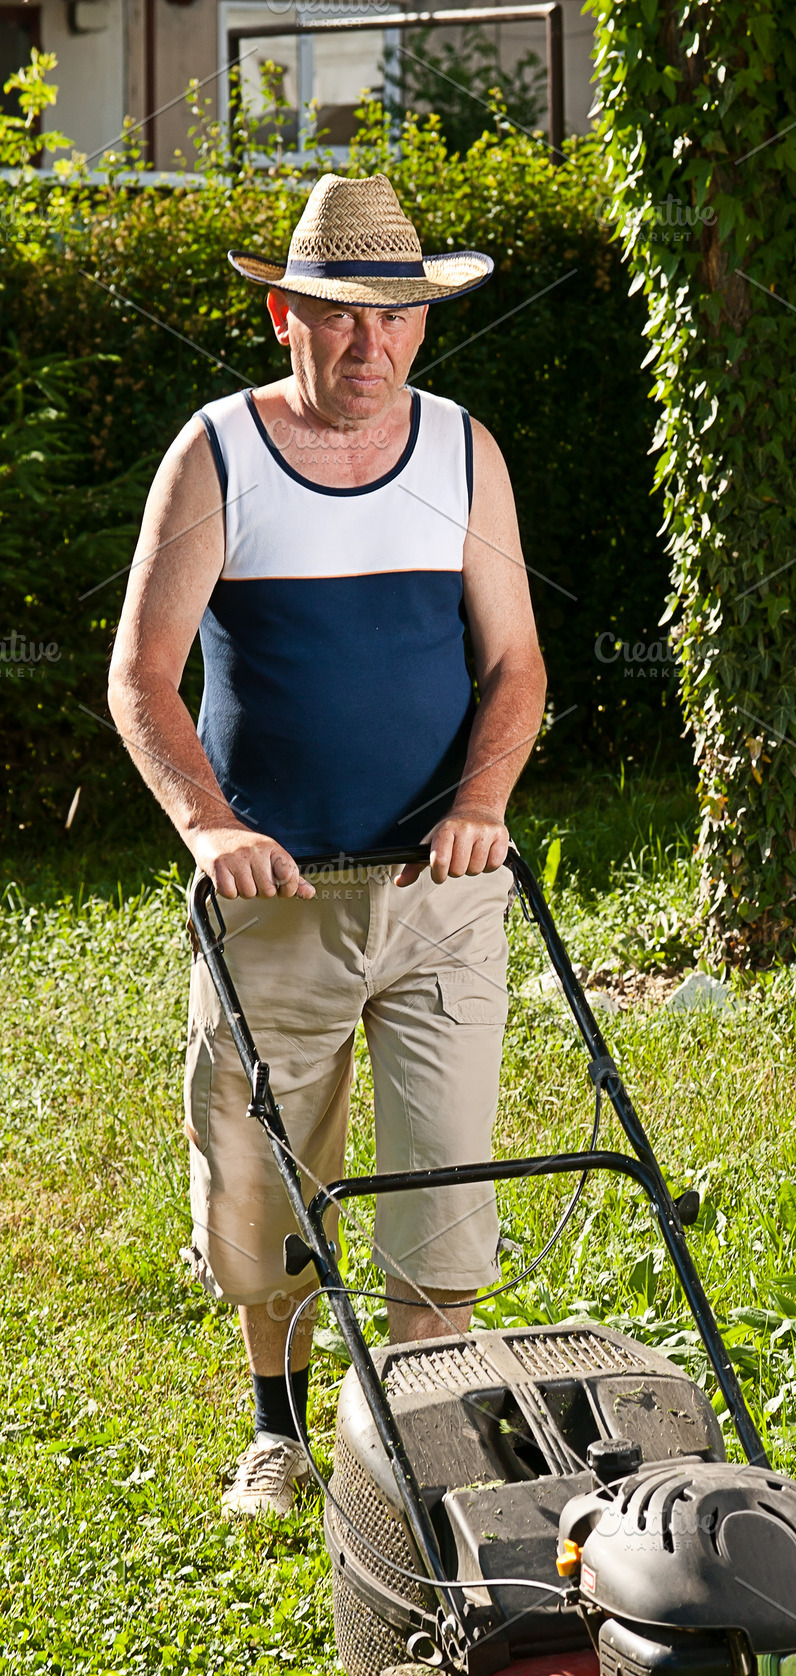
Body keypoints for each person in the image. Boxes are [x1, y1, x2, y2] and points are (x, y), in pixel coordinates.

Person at [108, 173, 546, 1519]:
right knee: (259, 1192)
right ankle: (278, 1435)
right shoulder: (219, 454)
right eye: (342, 321)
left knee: (446, 1187)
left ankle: (421, 1472)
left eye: (397, 320)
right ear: (283, 315)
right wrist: (212, 827)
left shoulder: (463, 450)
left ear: (422, 324)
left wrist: (482, 804)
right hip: (276, 899)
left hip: (437, 896)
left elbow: (518, 663)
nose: (372, 348)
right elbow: (142, 677)